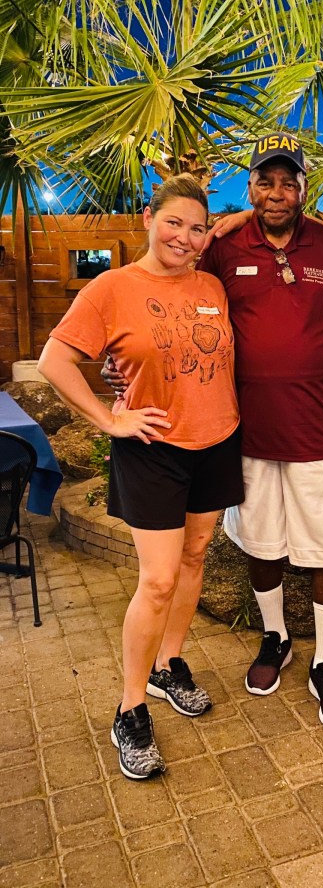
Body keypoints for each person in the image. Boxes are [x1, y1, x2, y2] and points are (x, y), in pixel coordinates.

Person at [104, 133, 323, 731]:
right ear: (249, 187)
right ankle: (276, 638)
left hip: (319, 429)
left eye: (288, 182)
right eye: (265, 181)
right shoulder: (221, 247)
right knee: (261, 544)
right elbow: (168, 303)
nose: (276, 192)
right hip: (242, 433)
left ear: (304, 189)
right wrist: (122, 362)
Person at [38, 175, 243, 780]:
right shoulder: (112, 287)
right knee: (156, 581)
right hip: (152, 449)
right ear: (149, 218)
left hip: (218, 441)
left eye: (198, 228)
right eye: (173, 222)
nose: (185, 237)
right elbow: (54, 360)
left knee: (195, 557)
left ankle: (167, 665)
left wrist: (232, 222)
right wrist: (109, 419)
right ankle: (130, 708)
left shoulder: (211, 285)